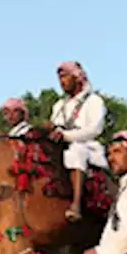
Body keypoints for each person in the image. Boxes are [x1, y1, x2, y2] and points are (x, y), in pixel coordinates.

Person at [50, 61, 107, 221]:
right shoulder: (59, 105)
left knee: (76, 152)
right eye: (60, 79)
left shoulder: (94, 101)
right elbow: (57, 125)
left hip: (86, 146)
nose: (62, 82)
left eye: (65, 77)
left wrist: (67, 136)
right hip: (61, 144)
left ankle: (76, 205)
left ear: (77, 78)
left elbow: (95, 130)